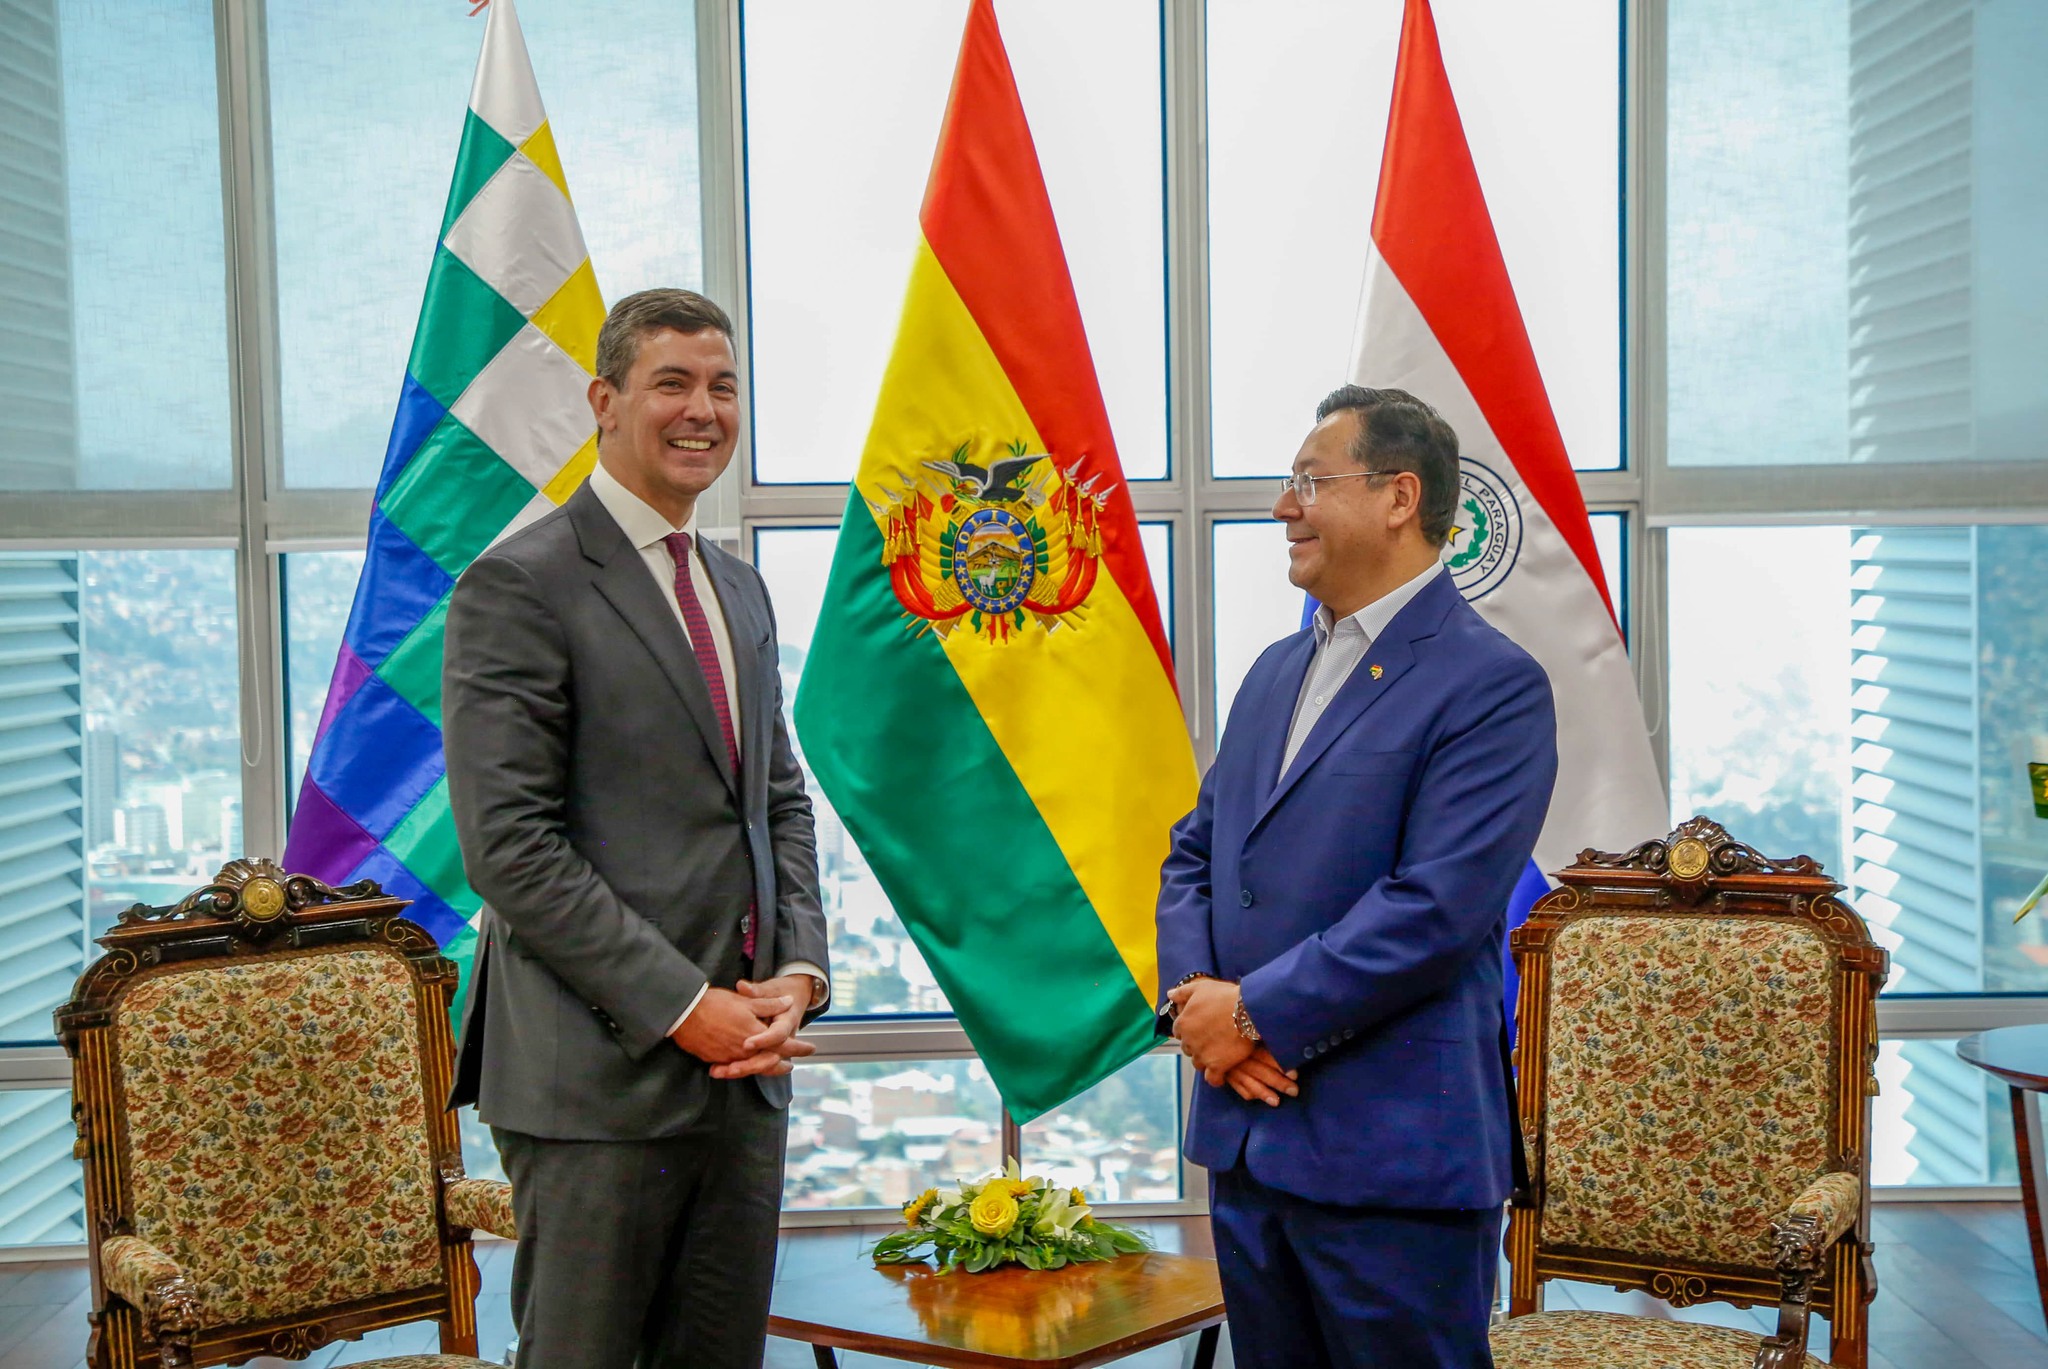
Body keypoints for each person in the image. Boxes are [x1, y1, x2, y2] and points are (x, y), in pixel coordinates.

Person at [443, 288, 831, 1369]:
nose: (702, 409)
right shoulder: (519, 584)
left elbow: (778, 800)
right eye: (672, 383)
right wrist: (684, 1007)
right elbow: (509, 848)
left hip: (744, 1075)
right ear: (604, 401)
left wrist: (797, 972)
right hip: (594, 1083)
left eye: (722, 386)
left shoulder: (739, 590)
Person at [1157, 386, 1557, 1367]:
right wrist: (1200, 1009)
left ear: (1397, 496)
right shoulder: (1272, 670)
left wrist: (1249, 1015)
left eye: (1308, 481)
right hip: (1247, 1140)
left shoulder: (1491, 683)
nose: (1282, 507)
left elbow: (1434, 909)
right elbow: (1196, 853)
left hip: (1393, 1163)